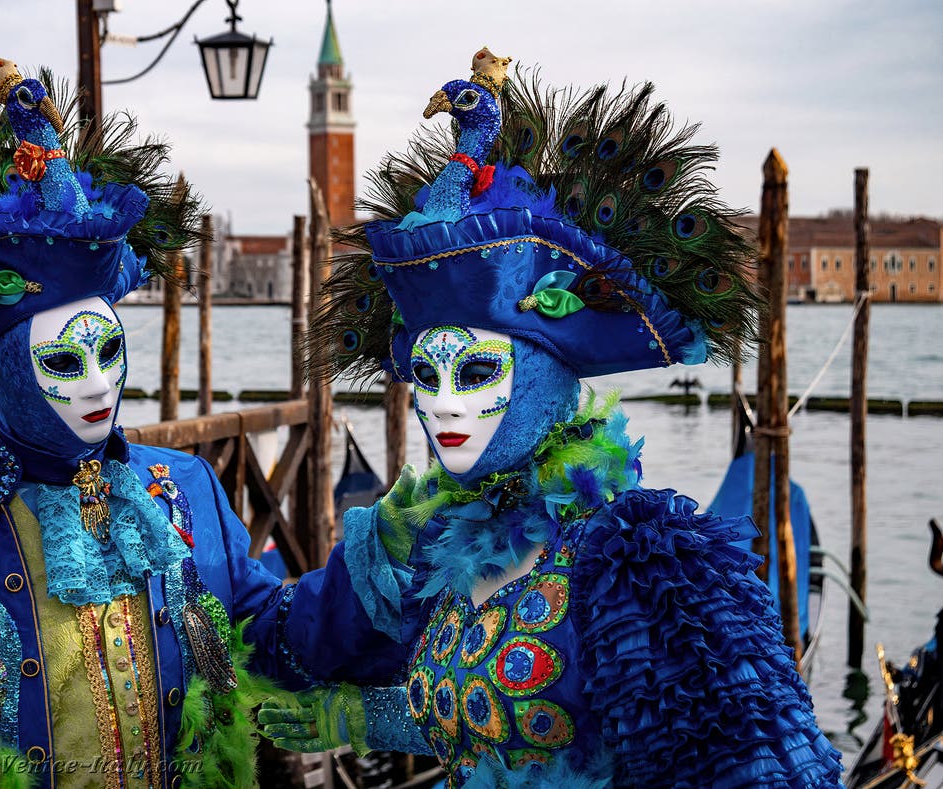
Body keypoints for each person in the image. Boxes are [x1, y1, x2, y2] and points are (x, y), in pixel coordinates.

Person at [259, 49, 846, 787]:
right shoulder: (450, 543)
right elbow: (487, 714)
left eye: (476, 372)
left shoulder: (642, 564)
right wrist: (356, 714)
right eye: (426, 376)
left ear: (545, 365)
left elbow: (758, 769)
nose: (442, 402)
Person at [0, 55, 418, 789]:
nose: (102, 382)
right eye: (64, 364)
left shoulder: (189, 487)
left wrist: (381, 567)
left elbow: (266, 636)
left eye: (109, 350)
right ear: (6, 365)